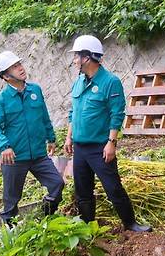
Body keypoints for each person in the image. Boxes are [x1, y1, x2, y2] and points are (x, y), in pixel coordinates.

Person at [63, 35, 151, 232]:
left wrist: (111, 142)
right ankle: (88, 228)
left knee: (113, 188)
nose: (75, 60)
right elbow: (73, 112)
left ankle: (130, 224)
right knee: (82, 191)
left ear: (87, 57)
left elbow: (116, 113)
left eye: (77, 56)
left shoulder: (110, 82)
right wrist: (69, 137)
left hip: (99, 147)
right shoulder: (78, 81)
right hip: (80, 148)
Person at [0, 51, 64, 226]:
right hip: (14, 157)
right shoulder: (1, 100)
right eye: (14, 67)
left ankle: (44, 217)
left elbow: (44, 116)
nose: (21, 68)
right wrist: (4, 146)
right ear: (6, 76)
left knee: (57, 184)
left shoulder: (35, 90)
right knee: (11, 201)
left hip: (38, 154)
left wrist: (51, 137)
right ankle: (11, 231)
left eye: (20, 64)